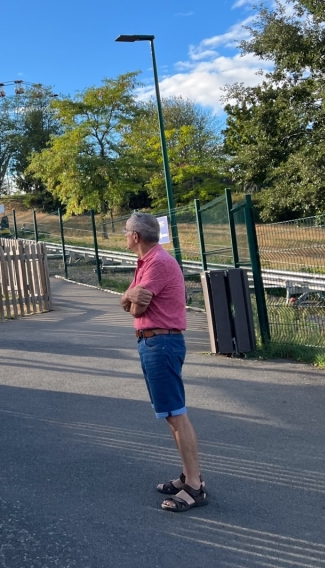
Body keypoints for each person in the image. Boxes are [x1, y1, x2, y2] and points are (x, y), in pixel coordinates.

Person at [119, 212, 207, 513]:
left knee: (176, 414)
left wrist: (129, 298)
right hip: (154, 341)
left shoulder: (157, 262)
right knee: (171, 414)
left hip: (161, 342)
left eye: (126, 232)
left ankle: (194, 486)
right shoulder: (146, 262)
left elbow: (135, 307)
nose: (124, 236)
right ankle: (188, 475)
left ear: (135, 236)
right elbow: (129, 301)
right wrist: (129, 297)